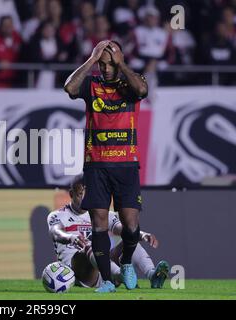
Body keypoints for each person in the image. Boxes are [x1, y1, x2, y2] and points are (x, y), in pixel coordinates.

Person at [64, 40, 148, 293]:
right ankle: (107, 282)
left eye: (109, 63)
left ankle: (125, 262)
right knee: (99, 224)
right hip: (96, 165)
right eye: (102, 63)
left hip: (126, 164)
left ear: (119, 60)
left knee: (131, 227)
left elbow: (142, 91)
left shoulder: (131, 85)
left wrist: (121, 63)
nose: (106, 68)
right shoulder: (91, 85)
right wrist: (90, 59)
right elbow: (69, 87)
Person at [47, 176, 170, 289]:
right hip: (79, 272)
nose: (84, 199)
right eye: (80, 194)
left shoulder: (102, 214)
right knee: (91, 246)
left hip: (105, 268)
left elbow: (121, 228)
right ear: (71, 194)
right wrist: (71, 237)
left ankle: (152, 275)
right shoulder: (58, 215)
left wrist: (141, 234)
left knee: (130, 240)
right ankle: (121, 276)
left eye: (88, 195)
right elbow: (56, 232)